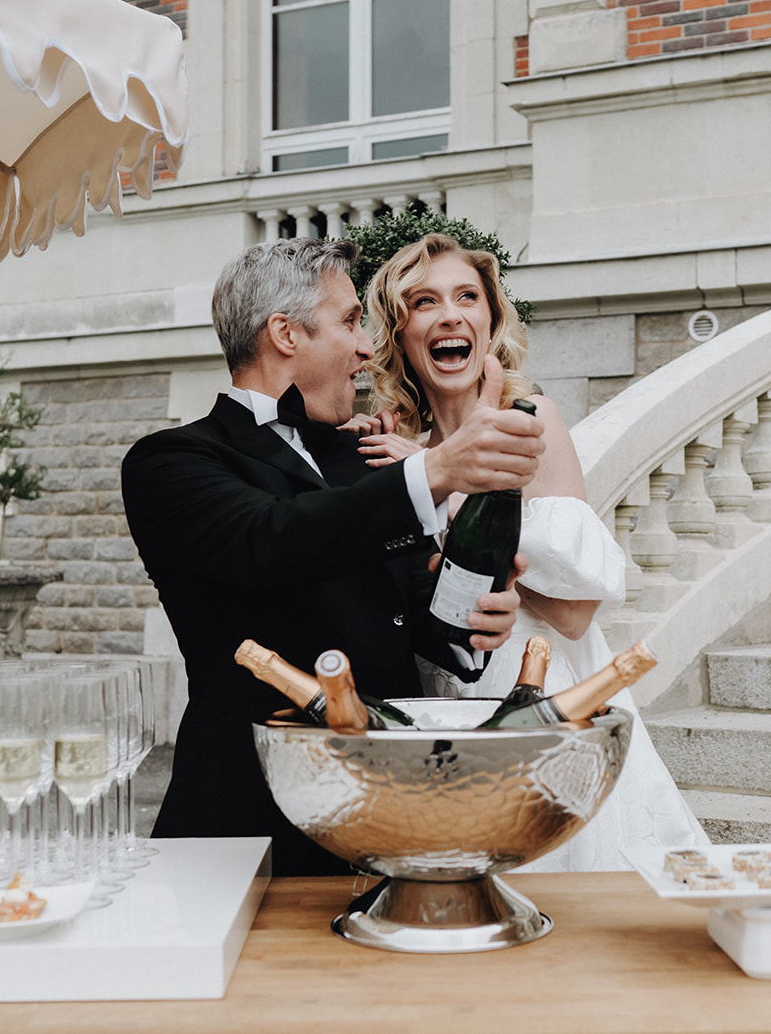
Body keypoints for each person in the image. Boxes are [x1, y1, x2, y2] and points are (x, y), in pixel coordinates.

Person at [122, 237, 544, 876]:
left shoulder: (361, 458)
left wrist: (473, 613)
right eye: (350, 321)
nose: (368, 347)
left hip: (389, 818)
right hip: (250, 824)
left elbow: (413, 619)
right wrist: (437, 467)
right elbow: (275, 539)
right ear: (285, 334)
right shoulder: (171, 461)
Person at [356, 233, 708, 871]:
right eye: (425, 302)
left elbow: (574, 614)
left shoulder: (531, 420)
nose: (451, 315)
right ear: (400, 331)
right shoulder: (398, 441)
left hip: (537, 688)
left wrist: (443, 485)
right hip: (441, 697)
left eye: (467, 296)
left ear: (490, 320)